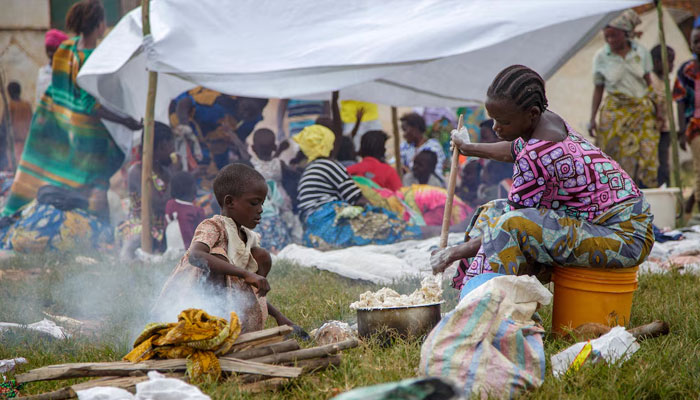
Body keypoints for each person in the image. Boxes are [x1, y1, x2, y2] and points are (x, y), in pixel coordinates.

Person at [432, 65, 654, 295]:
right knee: (491, 212)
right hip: (604, 224)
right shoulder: (546, 123)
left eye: (504, 122)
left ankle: (485, 305)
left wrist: (453, 252)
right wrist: (468, 148)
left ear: (532, 113)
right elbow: (513, 150)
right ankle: (469, 295)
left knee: (505, 226)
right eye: (493, 120)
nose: (496, 128)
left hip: (625, 238)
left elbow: (508, 226)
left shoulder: (538, 152)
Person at [1, 0, 142, 217]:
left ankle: (56, 219)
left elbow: (58, 89)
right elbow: (90, 106)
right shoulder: (94, 58)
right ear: (98, 24)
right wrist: (126, 121)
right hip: (89, 138)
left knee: (58, 177)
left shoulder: (66, 48)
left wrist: (64, 117)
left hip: (64, 129)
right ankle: (98, 231)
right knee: (97, 185)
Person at [153, 164, 304, 334]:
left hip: (233, 307)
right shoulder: (213, 226)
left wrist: (279, 317)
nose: (260, 210)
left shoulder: (249, 238)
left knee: (262, 256)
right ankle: (214, 327)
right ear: (230, 202)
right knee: (218, 257)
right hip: (192, 307)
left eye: (262, 203)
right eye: (254, 203)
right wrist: (246, 274)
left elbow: (244, 288)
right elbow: (195, 256)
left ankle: (238, 328)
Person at [294, 124, 421, 249]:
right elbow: (357, 199)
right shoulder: (329, 165)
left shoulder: (310, 170)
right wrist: (381, 211)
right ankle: (418, 233)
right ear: (328, 146)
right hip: (329, 224)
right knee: (390, 227)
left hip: (312, 231)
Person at [588, 9, 657, 189]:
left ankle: (642, 192)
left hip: (640, 112)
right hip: (615, 112)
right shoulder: (601, 57)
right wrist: (592, 119)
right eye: (607, 36)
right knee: (611, 156)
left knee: (644, 156)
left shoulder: (640, 53)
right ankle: (616, 192)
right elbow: (598, 89)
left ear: (626, 34)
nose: (610, 40)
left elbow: (649, 83)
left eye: (615, 36)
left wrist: (659, 111)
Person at [169, 87, 267, 171]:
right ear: (240, 98)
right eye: (246, 108)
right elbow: (184, 102)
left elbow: (238, 140)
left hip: (208, 145)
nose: (245, 114)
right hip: (181, 123)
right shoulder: (218, 100)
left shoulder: (252, 120)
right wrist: (185, 128)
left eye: (252, 113)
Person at [118, 122, 175, 256]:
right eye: (171, 145)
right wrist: (174, 178)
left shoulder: (166, 172)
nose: (173, 150)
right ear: (159, 148)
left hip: (163, 226)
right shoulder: (138, 171)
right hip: (142, 226)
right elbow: (158, 204)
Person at [249, 128, 301, 251]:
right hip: (281, 200)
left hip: (264, 204)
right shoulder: (280, 163)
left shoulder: (251, 165)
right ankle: (290, 245)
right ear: (274, 147)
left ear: (253, 148)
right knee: (289, 224)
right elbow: (295, 174)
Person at [674, 25, 700, 213]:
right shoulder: (687, 70)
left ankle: (691, 201)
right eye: (695, 42)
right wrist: (682, 131)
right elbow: (680, 101)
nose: (698, 45)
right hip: (695, 126)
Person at [649, 44, 675, 187]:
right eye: (670, 61)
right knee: (656, 164)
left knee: (664, 163)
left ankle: (665, 187)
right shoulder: (650, 79)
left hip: (664, 130)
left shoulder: (665, 80)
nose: (672, 66)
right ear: (657, 62)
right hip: (653, 130)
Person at [165, 171, 205, 249]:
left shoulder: (170, 205)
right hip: (188, 248)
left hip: (171, 247)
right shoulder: (197, 211)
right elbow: (203, 234)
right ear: (192, 189)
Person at [399, 112, 445, 177]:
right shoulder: (404, 147)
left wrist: (409, 173)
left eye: (405, 130)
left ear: (415, 129)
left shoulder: (433, 147)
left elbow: (437, 172)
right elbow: (398, 165)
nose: (404, 135)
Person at [2, 82, 32, 164]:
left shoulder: (10, 106)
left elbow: (4, 127)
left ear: (9, 93)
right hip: (27, 145)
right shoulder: (27, 105)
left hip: (14, 145)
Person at [36, 29, 69, 104]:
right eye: (48, 50)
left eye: (53, 50)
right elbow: (38, 98)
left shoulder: (67, 73)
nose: (50, 54)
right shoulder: (42, 72)